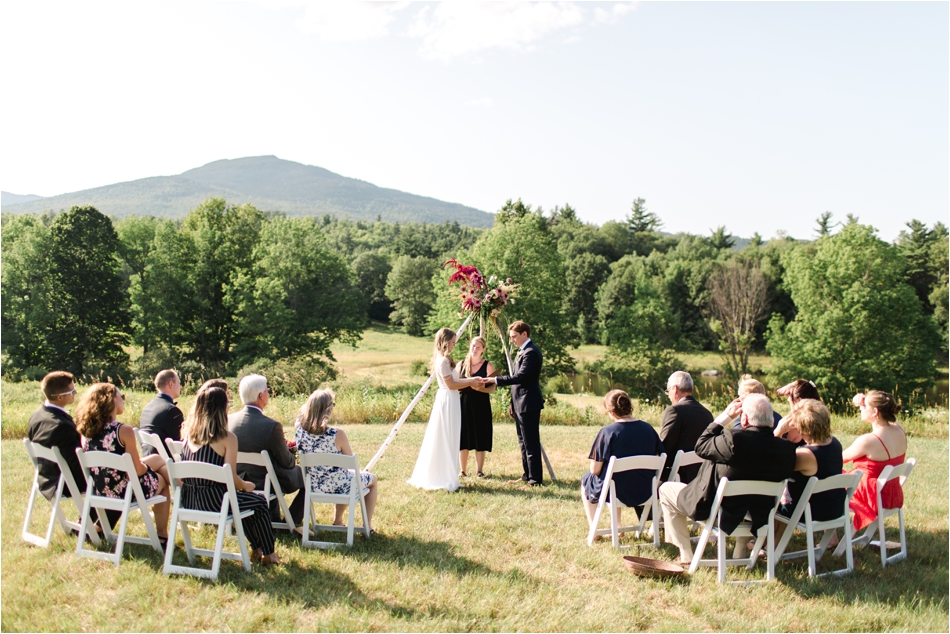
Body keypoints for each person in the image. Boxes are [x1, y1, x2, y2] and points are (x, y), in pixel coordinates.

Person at [658, 394, 797, 565]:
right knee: (746, 496)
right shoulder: (787, 450)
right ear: (772, 420)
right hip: (757, 513)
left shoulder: (733, 440)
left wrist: (725, 417)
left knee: (665, 489)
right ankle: (739, 553)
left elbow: (701, 446)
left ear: (744, 419)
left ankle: (686, 553)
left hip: (716, 509)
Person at [180, 387, 279, 565]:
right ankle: (268, 554)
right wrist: (245, 485)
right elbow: (231, 479)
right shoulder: (227, 438)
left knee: (246, 502)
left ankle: (257, 549)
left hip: (189, 501)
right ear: (221, 409)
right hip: (217, 502)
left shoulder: (188, 437)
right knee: (259, 502)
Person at [75, 383, 171, 548]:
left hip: (102, 490)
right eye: (122, 397)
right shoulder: (123, 431)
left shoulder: (86, 432)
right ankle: (162, 536)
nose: (124, 400)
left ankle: (183, 488)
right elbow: (138, 470)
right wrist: (148, 469)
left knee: (155, 459)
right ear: (111, 400)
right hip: (126, 491)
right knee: (162, 480)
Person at [294, 389, 380, 532]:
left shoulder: (299, 430)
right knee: (372, 480)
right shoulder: (337, 434)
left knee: (346, 476)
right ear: (327, 410)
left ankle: (338, 521)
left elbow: (300, 422)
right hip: (340, 486)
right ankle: (367, 525)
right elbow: (349, 462)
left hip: (313, 485)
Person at [408, 328, 481, 492]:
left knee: (451, 436)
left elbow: (456, 381)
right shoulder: (442, 361)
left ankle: (448, 474)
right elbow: (451, 385)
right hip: (447, 400)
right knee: (445, 436)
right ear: (445, 341)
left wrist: (471, 380)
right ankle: (442, 476)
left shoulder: (444, 359)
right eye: (453, 342)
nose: (454, 345)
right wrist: (471, 382)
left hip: (451, 399)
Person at [228, 374, 305, 526]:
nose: (269, 394)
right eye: (268, 391)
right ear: (261, 396)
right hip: (265, 481)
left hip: (237, 477)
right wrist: (290, 452)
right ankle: (291, 521)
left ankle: (273, 516)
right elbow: (286, 462)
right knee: (308, 476)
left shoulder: (228, 420)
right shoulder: (271, 426)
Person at [581, 390, 663, 530]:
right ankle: (617, 527)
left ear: (611, 412)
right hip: (645, 489)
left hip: (618, 490)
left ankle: (594, 529)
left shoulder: (607, 432)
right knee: (615, 478)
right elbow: (659, 457)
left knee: (588, 479)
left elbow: (595, 470)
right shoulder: (648, 429)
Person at [482, 320, 545, 486]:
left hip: (529, 402)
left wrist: (494, 379)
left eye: (514, 336)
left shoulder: (531, 352)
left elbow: (520, 377)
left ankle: (535, 479)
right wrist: (512, 403)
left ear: (525, 334)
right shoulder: (523, 351)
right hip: (520, 402)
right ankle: (527, 475)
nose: (512, 340)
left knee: (530, 442)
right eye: (510, 337)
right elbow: (518, 383)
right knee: (523, 442)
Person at [773, 399, 845, 542]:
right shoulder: (835, 443)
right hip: (834, 508)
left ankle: (768, 545)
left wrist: (777, 433)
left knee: (769, 501)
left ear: (805, 429)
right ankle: (773, 545)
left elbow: (774, 465)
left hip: (810, 512)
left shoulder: (806, 456)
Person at [842, 390, 907, 532]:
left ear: (875, 411)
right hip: (890, 493)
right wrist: (867, 400)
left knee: (826, 480)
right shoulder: (899, 429)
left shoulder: (868, 441)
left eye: (864, 406)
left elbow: (838, 460)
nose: (860, 408)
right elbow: (885, 416)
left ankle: (830, 538)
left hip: (869, 496)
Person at [27, 371, 85, 502]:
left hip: (47, 478)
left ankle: (90, 521)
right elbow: (77, 463)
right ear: (60, 397)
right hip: (65, 482)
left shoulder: (37, 415)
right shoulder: (62, 426)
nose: (75, 393)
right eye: (72, 391)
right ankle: (94, 522)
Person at [658, 371, 713, 483]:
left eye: (668, 391)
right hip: (702, 475)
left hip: (678, 475)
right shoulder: (707, 413)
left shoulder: (674, 410)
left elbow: (665, 446)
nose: (668, 396)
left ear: (675, 389)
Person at [458, 336, 495, 478]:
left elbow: (492, 388)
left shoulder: (488, 366)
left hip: (481, 404)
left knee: (480, 436)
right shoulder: (461, 364)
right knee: (464, 437)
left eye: (478, 347)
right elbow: (454, 384)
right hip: (464, 403)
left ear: (483, 350)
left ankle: (479, 470)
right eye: (473, 346)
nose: (475, 349)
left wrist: (481, 389)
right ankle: (463, 470)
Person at [138, 369, 184, 457]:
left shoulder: (148, 408)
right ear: (171, 384)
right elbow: (180, 445)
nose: (181, 387)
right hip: (166, 464)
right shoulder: (171, 411)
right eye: (179, 383)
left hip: (149, 461)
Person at [774, 379, 821, 445]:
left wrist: (778, 432)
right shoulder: (820, 417)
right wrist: (792, 385)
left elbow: (777, 449)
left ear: (799, 400)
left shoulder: (792, 425)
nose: (788, 399)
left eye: (790, 396)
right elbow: (808, 386)